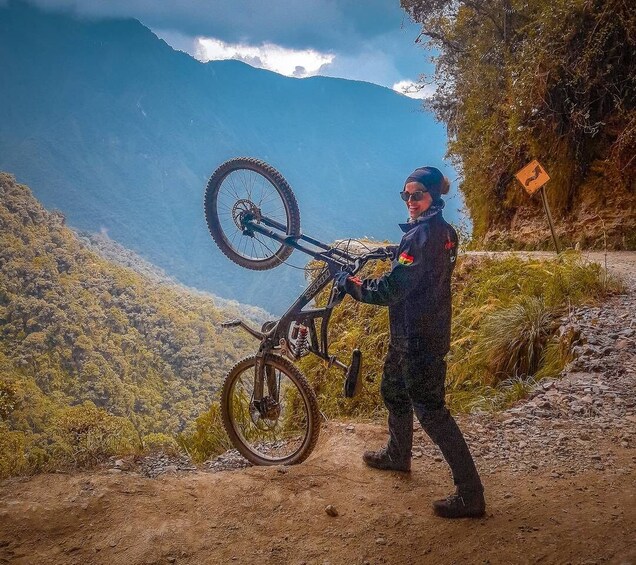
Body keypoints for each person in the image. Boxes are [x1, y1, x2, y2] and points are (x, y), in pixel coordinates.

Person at [334, 166, 485, 519]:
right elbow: (419, 267)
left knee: (432, 412)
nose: (410, 201)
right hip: (417, 331)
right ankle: (398, 455)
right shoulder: (443, 232)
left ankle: (471, 493)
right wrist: (395, 251)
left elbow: (391, 288)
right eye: (406, 195)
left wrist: (349, 284)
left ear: (433, 196)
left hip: (418, 337)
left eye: (417, 195)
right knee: (394, 390)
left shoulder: (420, 238)